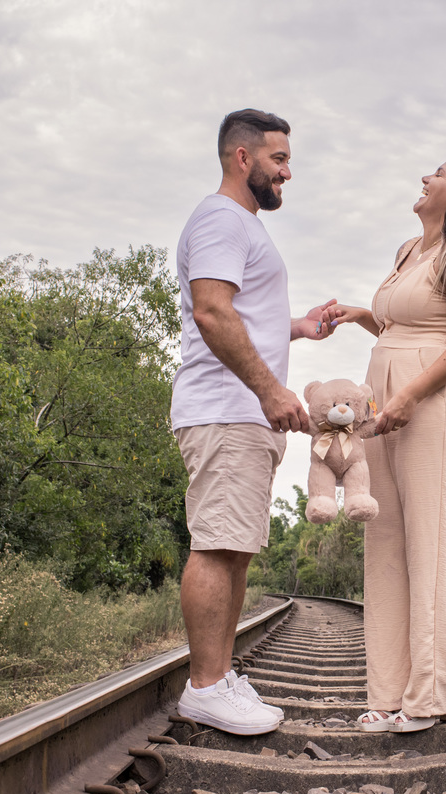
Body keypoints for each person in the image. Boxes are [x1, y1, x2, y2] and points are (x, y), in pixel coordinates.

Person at [321, 152, 446, 732]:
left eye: (438, 173)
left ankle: (432, 697)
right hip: (384, 407)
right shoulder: (409, 250)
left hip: (438, 407)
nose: (425, 177)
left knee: (431, 549)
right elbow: (407, 329)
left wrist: (408, 397)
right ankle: (387, 694)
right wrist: (360, 316)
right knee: (385, 546)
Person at [172, 109, 335, 735]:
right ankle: (206, 687)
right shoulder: (221, 219)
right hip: (228, 409)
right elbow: (212, 313)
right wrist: (270, 390)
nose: (287, 172)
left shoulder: (238, 225)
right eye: (279, 159)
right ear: (243, 157)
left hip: (241, 412)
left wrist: (297, 327)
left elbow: (238, 311)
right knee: (217, 545)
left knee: (234, 549)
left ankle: (217, 676)